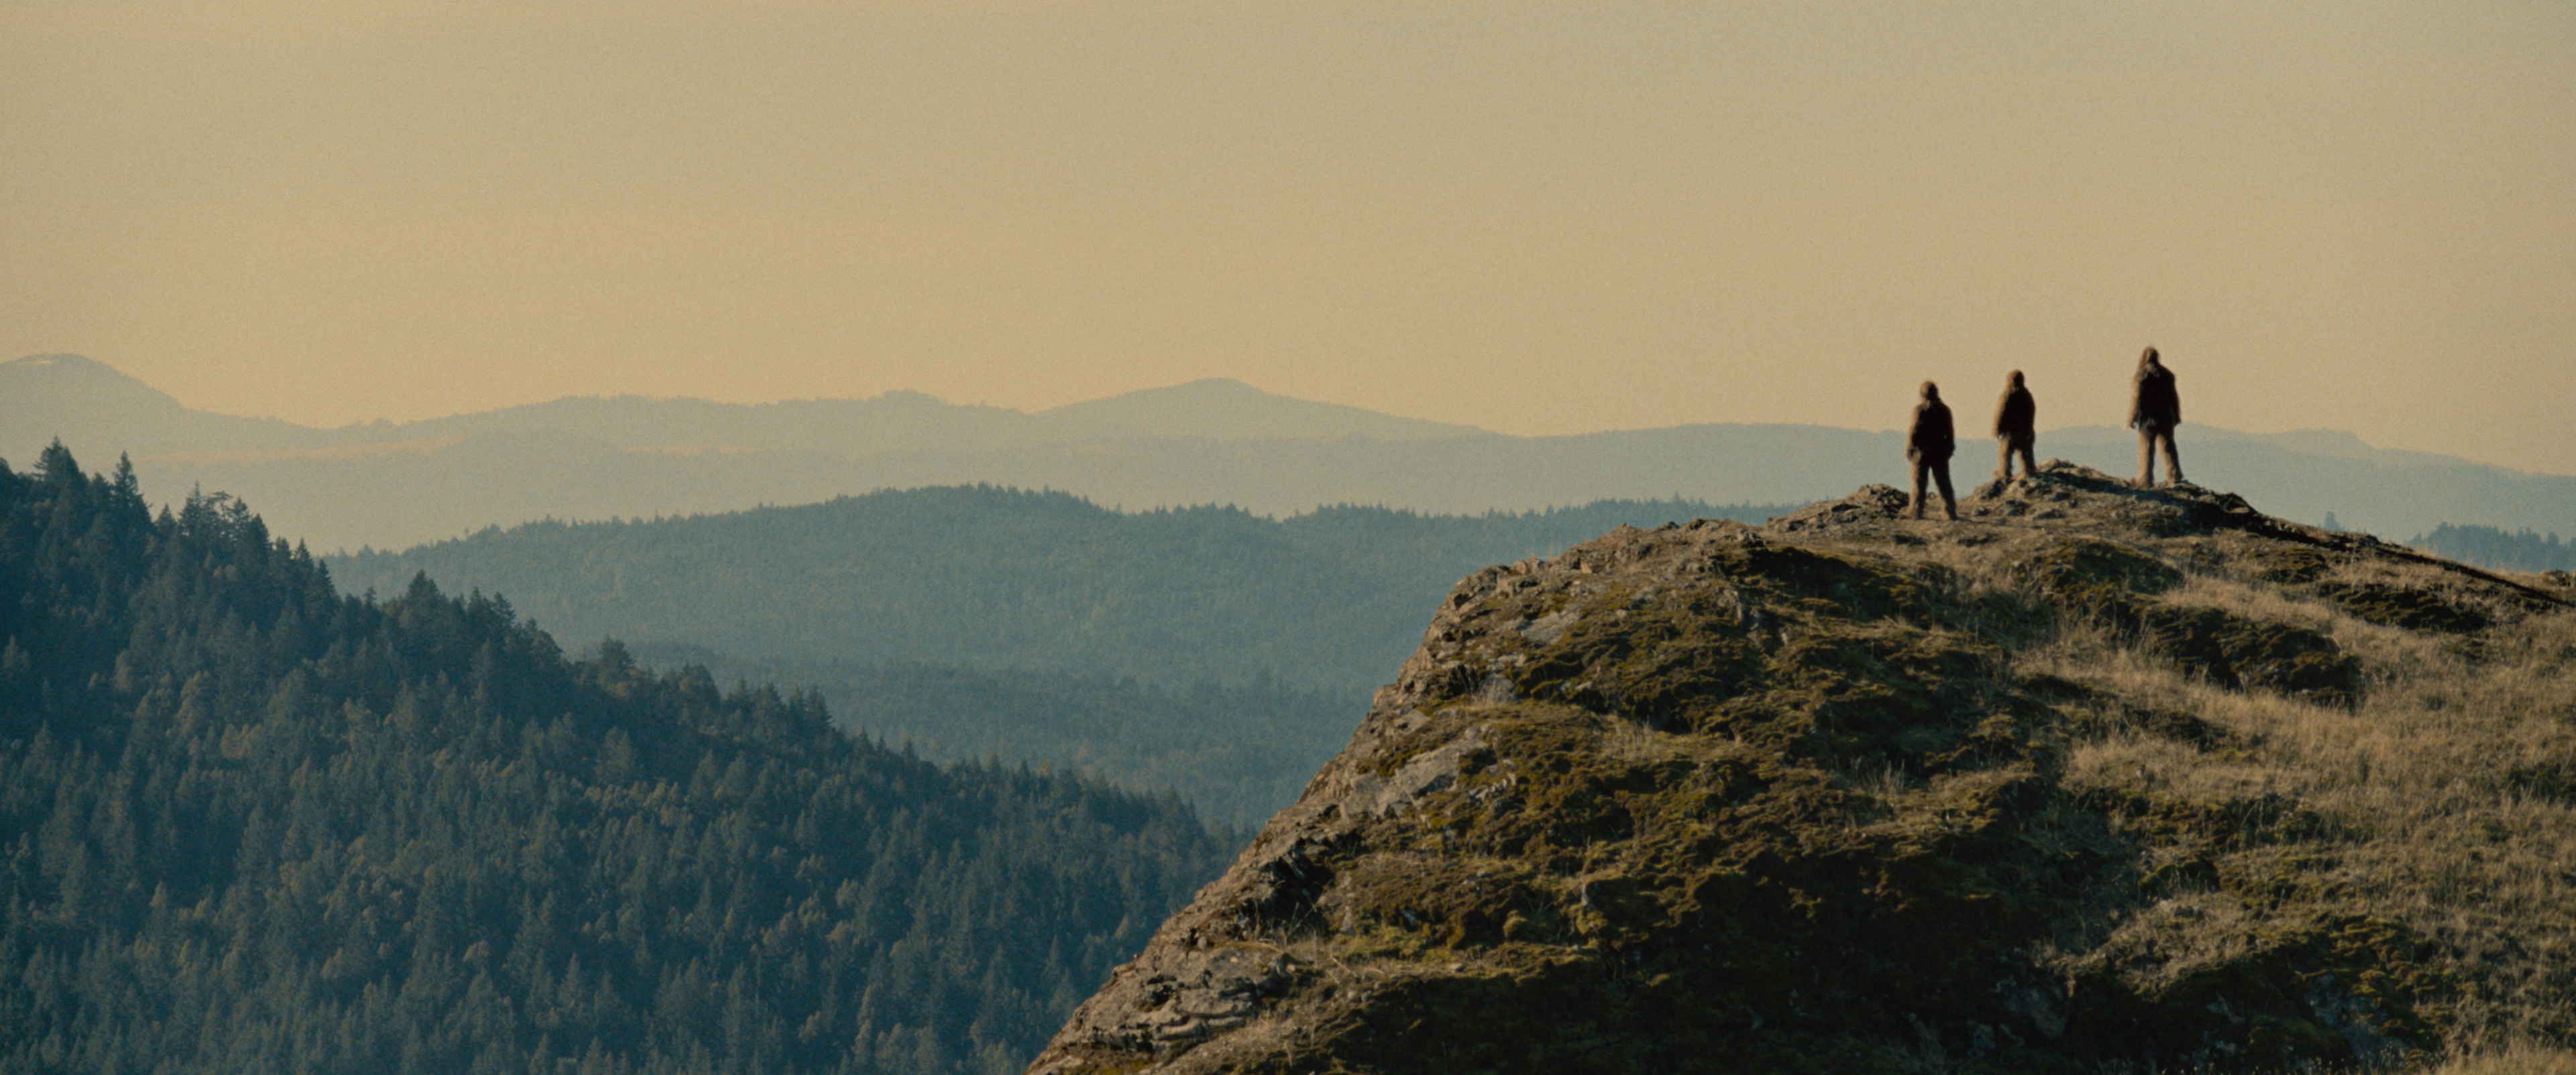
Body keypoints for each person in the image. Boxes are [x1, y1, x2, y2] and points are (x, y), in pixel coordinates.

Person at [2129, 346, 2184, 487]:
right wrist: (2177, 416)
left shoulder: (2142, 375)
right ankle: (2175, 476)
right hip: (2166, 415)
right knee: (2168, 446)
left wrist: (2133, 417)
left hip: (2148, 417)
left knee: (2146, 448)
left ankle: (2145, 479)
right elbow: (2174, 398)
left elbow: (2137, 399)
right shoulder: (2167, 375)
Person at [1905, 380, 1957, 521]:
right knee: (1944, 484)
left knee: (1919, 485)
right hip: (1940, 452)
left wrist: (1910, 448)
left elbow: (1914, 430)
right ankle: (1950, 512)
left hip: (1921, 453)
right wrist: (1949, 447)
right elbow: (1950, 431)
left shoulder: (1920, 410)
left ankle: (1916, 512)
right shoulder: (1944, 410)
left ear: (1922, 394)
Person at [1993, 370, 2037, 482]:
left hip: (2010, 433)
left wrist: (1997, 430)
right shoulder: (2027, 395)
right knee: (2026, 453)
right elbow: (2031, 413)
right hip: (2025, 432)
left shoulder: (2007, 395)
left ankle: (2005, 474)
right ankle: (2029, 471)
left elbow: (2000, 414)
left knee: (2005, 453)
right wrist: (2030, 431)